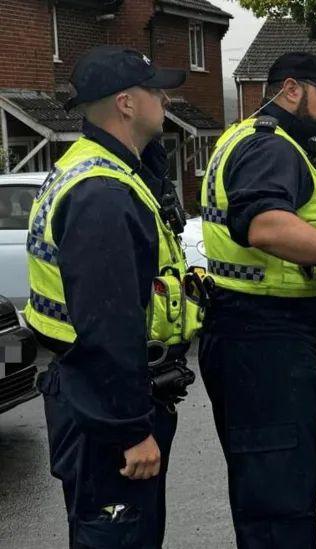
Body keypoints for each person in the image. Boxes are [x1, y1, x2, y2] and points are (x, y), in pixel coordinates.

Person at [197, 52, 316, 548]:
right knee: (280, 499)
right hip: (263, 343)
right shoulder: (272, 147)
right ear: (290, 89)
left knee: (274, 491)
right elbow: (265, 225)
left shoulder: (253, 140)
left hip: (256, 337)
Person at [27, 46, 196, 548]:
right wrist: (129, 429)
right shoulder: (102, 192)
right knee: (117, 536)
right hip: (103, 410)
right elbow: (109, 325)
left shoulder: (98, 168)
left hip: (85, 394)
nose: (165, 98)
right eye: (155, 90)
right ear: (125, 103)